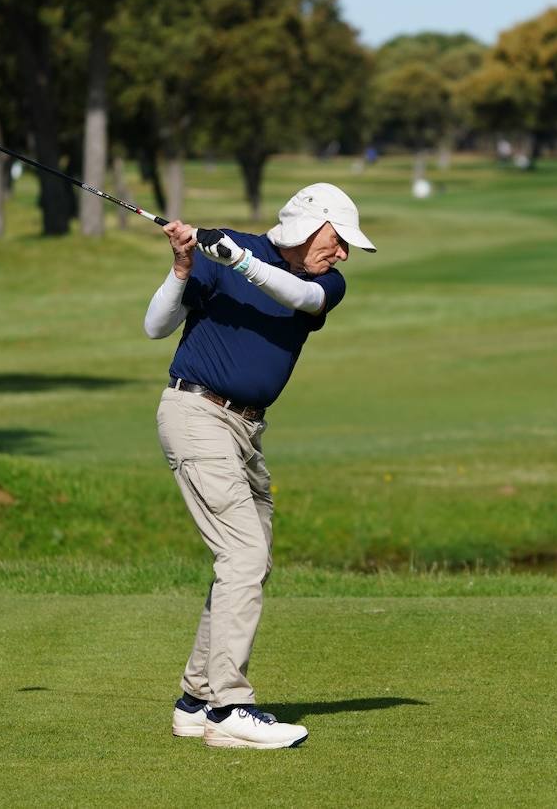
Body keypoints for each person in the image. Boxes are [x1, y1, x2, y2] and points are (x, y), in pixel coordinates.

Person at [143, 182, 376, 749]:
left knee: (249, 560)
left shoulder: (323, 283)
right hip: (195, 411)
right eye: (339, 239)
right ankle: (230, 710)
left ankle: (196, 701)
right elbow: (156, 326)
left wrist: (239, 260)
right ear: (310, 225)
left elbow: (300, 298)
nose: (343, 253)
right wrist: (182, 266)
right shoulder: (223, 255)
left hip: (247, 429)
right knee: (243, 555)